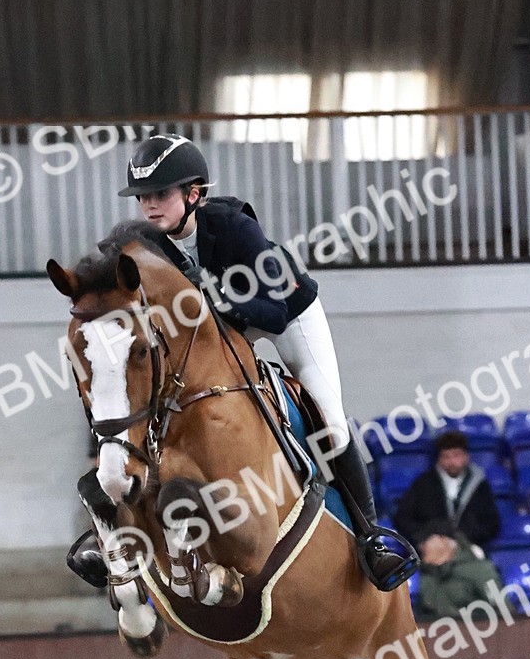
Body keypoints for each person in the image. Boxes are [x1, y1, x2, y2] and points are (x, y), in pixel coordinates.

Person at [69, 133, 417, 592]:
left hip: (284, 314)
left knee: (328, 416)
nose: (150, 206)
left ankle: (370, 534)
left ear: (194, 194)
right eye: (143, 197)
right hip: (217, 325)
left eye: (161, 194)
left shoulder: (233, 228)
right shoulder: (146, 245)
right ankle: (112, 524)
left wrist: (215, 296)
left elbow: (274, 312)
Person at [393, 430, 500, 549]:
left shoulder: (480, 485)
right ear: (439, 459)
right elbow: (403, 519)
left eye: (456, 455)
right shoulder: (423, 484)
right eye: (446, 456)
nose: (452, 462)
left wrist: (465, 538)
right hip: (433, 550)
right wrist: (428, 537)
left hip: (470, 548)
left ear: (466, 457)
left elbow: (492, 524)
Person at [416, 530, 502, 620]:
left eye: (426, 540)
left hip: (477, 630)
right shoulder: (424, 576)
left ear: (443, 539)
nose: (421, 546)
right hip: (439, 631)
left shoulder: (478, 570)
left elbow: (503, 610)